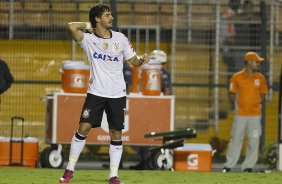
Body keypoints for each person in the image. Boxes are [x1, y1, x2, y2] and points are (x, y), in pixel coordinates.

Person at [59, 4, 149, 184]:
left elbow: (133, 61)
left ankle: (113, 175)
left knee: (116, 133)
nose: (111, 18)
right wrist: (88, 25)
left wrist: (141, 60)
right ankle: (69, 170)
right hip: (96, 93)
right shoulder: (88, 39)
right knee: (83, 128)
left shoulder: (121, 39)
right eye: (107, 15)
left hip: (117, 94)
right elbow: (70, 26)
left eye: (111, 15)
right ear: (98, 19)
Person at [222, 51, 268, 173]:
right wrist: (237, 105)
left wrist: (256, 103)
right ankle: (229, 165)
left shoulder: (261, 78)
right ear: (249, 62)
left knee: (254, 140)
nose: (258, 64)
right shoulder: (236, 77)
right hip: (240, 114)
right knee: (236, 139)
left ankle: (248, 166)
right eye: (256, 61)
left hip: (255, 115)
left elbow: (263, 94)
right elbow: (231, 93)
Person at [129, 50, 172, 170]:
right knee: (144, 135)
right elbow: (167, 91)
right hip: (150, 108)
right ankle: (145, 162)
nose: (161, 66)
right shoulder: (155, 73)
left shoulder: (148, 72)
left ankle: (147, 162)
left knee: (148, 136)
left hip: (151, 109)